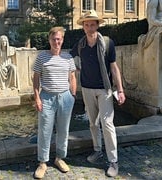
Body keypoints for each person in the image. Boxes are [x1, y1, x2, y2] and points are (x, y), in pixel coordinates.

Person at [70, 10, 125, 177]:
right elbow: (68, 58)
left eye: (92, 24)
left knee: (107, 124)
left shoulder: (107, 43)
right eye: (86, 24)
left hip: (105, 89)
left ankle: (113, 161)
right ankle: (97, 150)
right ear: (83, 27)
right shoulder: (80, 44)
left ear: (97, 25)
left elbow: (114, 68)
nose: (89, 27)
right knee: (93, 123)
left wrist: (120, 89)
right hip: (87, 88)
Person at [32, 26, 77, 179]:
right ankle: (43, 162)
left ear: (62, 40)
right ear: (49, 40)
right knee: (45, 130)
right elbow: (36, 78)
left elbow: (72, 77)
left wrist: (73, 95)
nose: (56, 42)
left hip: (65, 97)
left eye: (59, 39)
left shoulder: (68, 58)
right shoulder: (42, 57)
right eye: (53, 39)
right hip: (47, 97)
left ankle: (59, 158)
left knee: (63, 130)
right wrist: (37, 97)